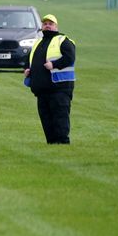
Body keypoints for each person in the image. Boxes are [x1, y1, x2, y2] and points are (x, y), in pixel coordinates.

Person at [24, 14, 76, 144]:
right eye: (45, 23)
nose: (47, 25)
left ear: (56, 26)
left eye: (50, 23)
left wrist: (54, 65)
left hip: (59, 89)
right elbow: (29, 60)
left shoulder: (62, 40)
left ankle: (63, 143)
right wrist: (27, 69)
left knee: (60, 118)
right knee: (46, 119)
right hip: (42, 90)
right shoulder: (37, 43)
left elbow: (70, 58)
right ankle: (52, 144)